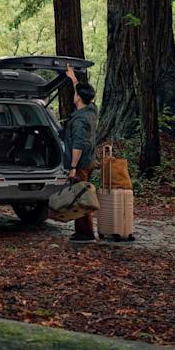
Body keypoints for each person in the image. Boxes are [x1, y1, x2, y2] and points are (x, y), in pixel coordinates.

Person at [63, 65, 99, 243]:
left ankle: (85, 233)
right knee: (83, 194)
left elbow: (77, 145)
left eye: (76, 93)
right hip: (90, 160)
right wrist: (74, 79)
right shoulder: (92, 111)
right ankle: (84, 232)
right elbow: (86, 96)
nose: (74, 95)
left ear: (78, 98)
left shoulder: (79, 120)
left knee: (81, 197)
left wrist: (72, 167)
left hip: (81, 163)